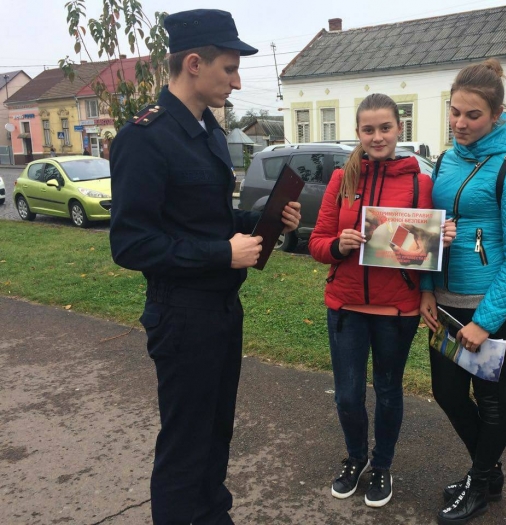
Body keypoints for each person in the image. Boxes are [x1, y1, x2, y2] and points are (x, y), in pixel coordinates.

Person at [109, 9, 301, 524]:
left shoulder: (209, 132)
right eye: (230, 70)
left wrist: (265, 219)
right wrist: (221, 253)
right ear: (194, 63)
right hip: (181, 313)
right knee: (186, 440)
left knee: (217, 428)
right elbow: (130, 244)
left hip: (220, 307)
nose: (237, 83)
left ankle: (213, 514)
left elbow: (208, 217)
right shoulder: (144, 137)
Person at [309, 93, 455, 509]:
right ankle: (355, 459)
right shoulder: (342, 180)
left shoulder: (419, 181)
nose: (377, 136)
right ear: (358, 132)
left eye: (385, 128)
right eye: (368, 129)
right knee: (348, 395)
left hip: (398, 310)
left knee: (389, 391)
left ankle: (382, 465)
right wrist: (339, 245)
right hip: (346, 306)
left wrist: (439, 241)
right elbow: (317, 244)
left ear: (399, 129)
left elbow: (425, 249)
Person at [420, 58, 506, 525]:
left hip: (492, 309)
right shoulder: (446, 160)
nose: (460, 123)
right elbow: (429, 231)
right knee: (447, 393)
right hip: (445, 304)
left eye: (472, 115)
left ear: (495, 115)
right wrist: (427, 289)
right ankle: (487, 471)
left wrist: (484, 321)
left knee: (490, 398)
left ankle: (481, 478)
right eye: (454, 112)